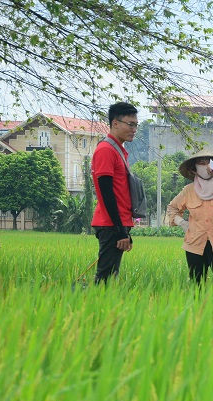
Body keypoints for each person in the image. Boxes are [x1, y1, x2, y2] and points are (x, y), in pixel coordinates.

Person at [165, 148, 213, 284]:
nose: (207, 166)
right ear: (194, 169)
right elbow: (172, 208)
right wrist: (182, 222)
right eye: (202, 163)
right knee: (197, 287)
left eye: (210, 162)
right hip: (195, 245)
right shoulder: (188, 190)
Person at [90, 102, 138, 284]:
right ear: (115, 123)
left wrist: (124, 230)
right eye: (130, 124)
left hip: (116, 224)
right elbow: (106, 193)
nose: (134, 129)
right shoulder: (106, 150)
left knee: (110, 277)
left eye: (136, 125)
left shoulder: (117, 150)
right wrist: (119, 231)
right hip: (110, 224)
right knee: (105, 279)